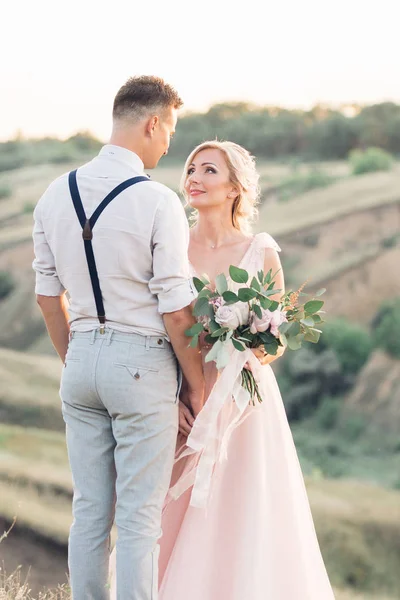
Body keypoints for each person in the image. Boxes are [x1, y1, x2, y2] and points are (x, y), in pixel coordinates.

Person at [32, 75, 204, 600]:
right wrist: (194, 386)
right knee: (137, 521)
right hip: (142, 365)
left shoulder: (52, 195)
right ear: (153, 123)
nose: (170, 142)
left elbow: (46, 297)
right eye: (170, 128)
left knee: (88, 512)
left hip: (79, 358)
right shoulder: (157, 202)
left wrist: (76, 360)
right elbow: (177, 311)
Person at [157, 141, 335, 599]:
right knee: (170, 517)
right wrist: (173, 397)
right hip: (184, 400)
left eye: (208, 170)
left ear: (235, 187)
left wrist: (246, 343)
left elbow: (274, 344)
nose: (193, 177)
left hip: (244, 402)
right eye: (191, 168)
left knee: (242, 510)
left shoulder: (260, 251)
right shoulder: (172, 245)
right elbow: (160, 331)